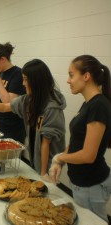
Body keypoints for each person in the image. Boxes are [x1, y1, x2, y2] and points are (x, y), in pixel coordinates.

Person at [0, 59, 66, 178]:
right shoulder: (28, 100)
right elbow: (4, 107)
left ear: (37, 81)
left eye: (26, 79)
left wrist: (43, 173)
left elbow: (45, 143)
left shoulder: (52, 107)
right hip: (35, 159)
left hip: (49, 165)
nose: (23, 83)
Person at [49, 55, 111, 222]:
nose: (68, 81)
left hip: (92, 184)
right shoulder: (88, 103)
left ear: (86, 76)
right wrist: (60, 162)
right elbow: (77, 142)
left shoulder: (98, 105)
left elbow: (88, 155)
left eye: (71, 75)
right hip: (81, 182)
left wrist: (59, 156)